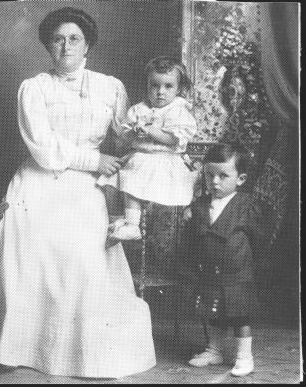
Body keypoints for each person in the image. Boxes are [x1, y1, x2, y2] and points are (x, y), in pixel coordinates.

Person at [0, 7, 156, 378]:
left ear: (88, 43)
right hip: (40, 181)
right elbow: (42, 146)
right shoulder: (34, 88)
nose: (66, 46)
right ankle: (19, 347)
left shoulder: (110, 87)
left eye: (74, 38)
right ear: (47, 46)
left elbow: (123, 136)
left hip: (88, 186)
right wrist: (94, 159)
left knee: (84, 257)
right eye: (58, 39)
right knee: (33, 250)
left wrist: (152, 136)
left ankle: (87, 355)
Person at [179, 143, 267, 377]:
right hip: (208, 271)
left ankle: (244, 357)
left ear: (240, 179)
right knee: (212, 312)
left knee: (240, 316)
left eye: (223, 176)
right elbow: (193, 235)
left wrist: (249, 265)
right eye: (209, 175)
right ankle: (214, 349)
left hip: (235, 274)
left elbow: (258, 240)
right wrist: (190, 213)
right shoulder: (200, 205)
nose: (215, 182)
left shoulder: (246, 206)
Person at [98, 56, 198, 241]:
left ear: (179, 88)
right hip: (140, 156)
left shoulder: (178, 110)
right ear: (147, 85)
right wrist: (135, 132)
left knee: (135, 177)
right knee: (116, 180)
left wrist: (151, 130)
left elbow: (173, 140)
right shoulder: (139, 109)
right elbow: (125, 136)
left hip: (165, 159)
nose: (160, 92)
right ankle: (127, 223)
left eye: (168, 86)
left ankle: (133, 224)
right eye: (154, 85)